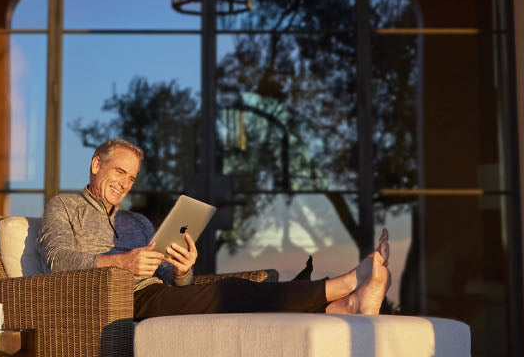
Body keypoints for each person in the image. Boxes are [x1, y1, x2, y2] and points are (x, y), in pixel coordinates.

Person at [38, 137, 389, 319]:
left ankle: (343, 307)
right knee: (231, 291)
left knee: (238, 293)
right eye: (119, 172)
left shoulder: (138, 222)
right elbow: (56, 260)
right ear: (96, 164)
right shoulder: (64, 206)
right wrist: (122, 263)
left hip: (157, 296)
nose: (125, 183)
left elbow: (172, 281)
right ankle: (343, 285)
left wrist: (183, 271)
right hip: (114, 301)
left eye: (131, 178)